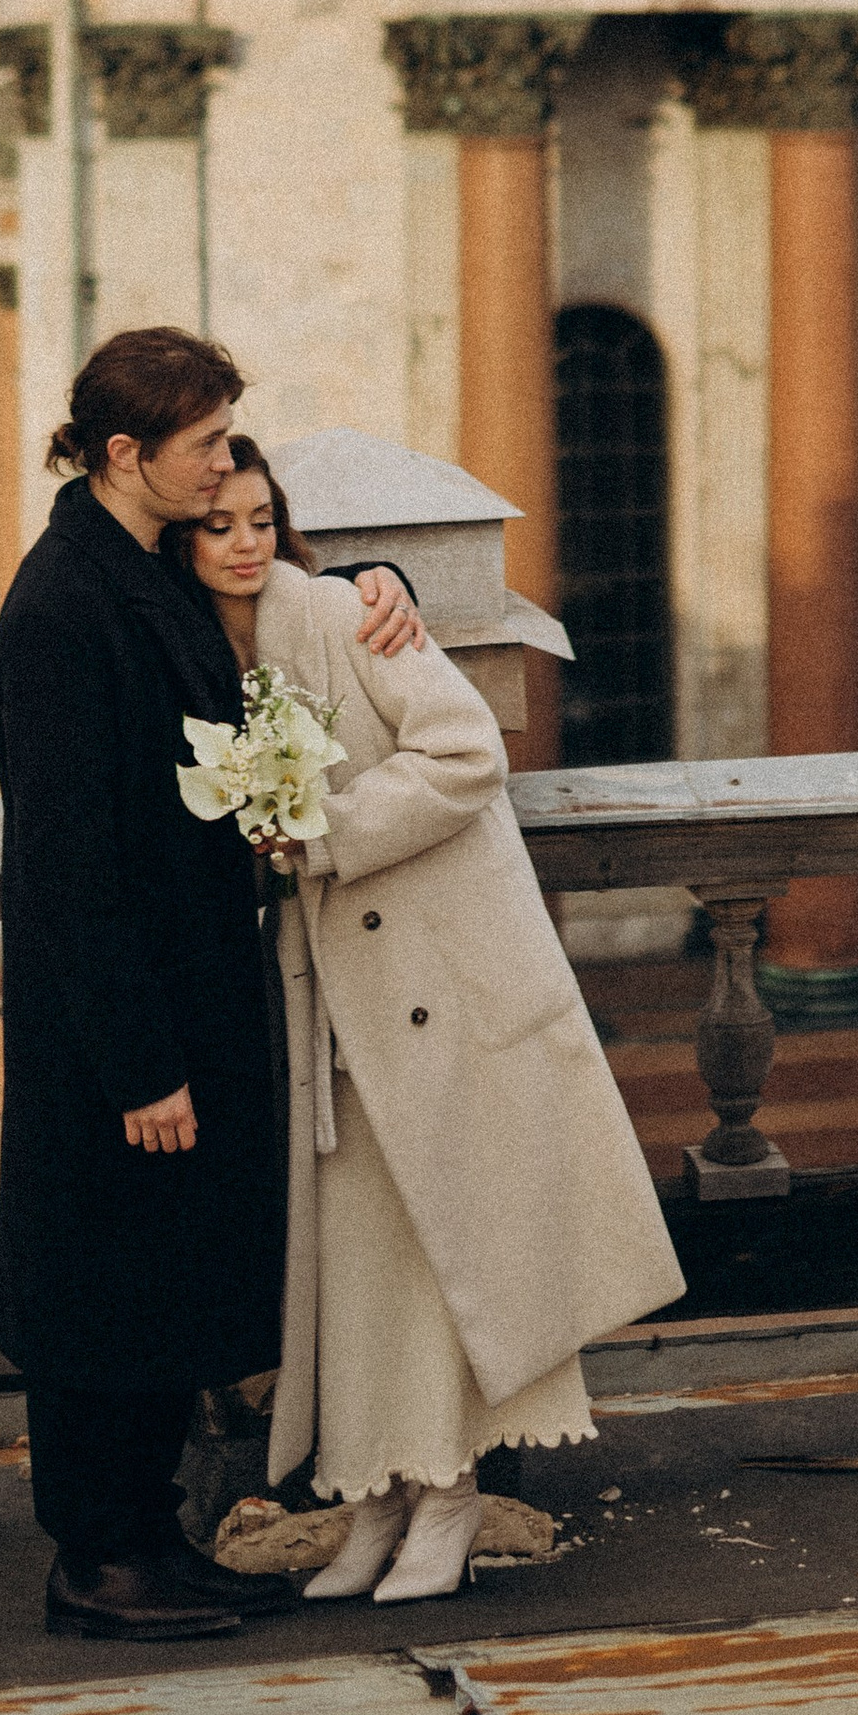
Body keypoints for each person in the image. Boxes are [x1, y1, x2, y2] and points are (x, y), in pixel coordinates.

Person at [0, 326, 421, 1642]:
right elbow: (67, 862)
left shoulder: (133, 564)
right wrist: (139, 1064)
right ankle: (99, 1562)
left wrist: (376, 579)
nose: (229, 463)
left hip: (175, 998)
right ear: (128, 457)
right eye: (207, 447)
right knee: (102, 1296)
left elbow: (260, 576)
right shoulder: (64, 604)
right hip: (117, 1029)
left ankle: (146, 1540)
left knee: (155, 1281)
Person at [200, 463, 684, 1605]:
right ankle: (374, 1495)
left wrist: (320, 831)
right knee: (355, 1266)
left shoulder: (338, 610)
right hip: (330, 1000)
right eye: (218, 524)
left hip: (432, 983)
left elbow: (470, 751)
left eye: (263, 522)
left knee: (438, 1249)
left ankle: (452, 1493)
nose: (243, 544)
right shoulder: (199, 655)